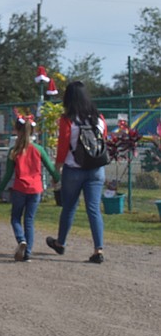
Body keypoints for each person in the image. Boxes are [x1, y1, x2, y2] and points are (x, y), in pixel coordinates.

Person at [47, 80, 108, 264]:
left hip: (74, 170)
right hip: (97, 169)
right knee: (93, 209)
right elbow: (103, 141)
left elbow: (63, 146)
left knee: (69, 207)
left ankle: (60, 243)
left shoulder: (68, 120)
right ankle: (98, 249)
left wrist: (56, 169)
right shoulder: (99, 118)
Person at [0, 114, 60, 261]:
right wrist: (57, 179)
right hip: (35, 189)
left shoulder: (14, 151)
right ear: (33, 131)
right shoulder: (39, 149)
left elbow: (7, 175)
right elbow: (51, 168)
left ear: (17, 130)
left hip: (19, 188)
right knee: (29, 220)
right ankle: (27, 252)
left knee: (16, 218)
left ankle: (21, 239)